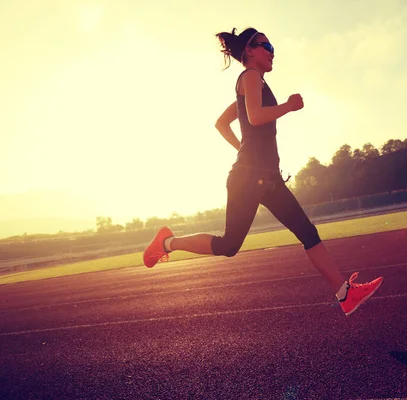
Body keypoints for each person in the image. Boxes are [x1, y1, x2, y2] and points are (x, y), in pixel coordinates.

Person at [143, 27, 383, 316]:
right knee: (229, 244)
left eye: (272, 48)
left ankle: (344, 294)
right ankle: (167, 242)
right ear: (250, 51)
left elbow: (222, 123)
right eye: (267, 46)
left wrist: (243, 148)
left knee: (307, 231)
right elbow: (255, 117)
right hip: (248, 178)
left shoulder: (252, 84)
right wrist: (288, 107)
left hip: (265, 178)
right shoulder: (250, 77)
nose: (272, 52)